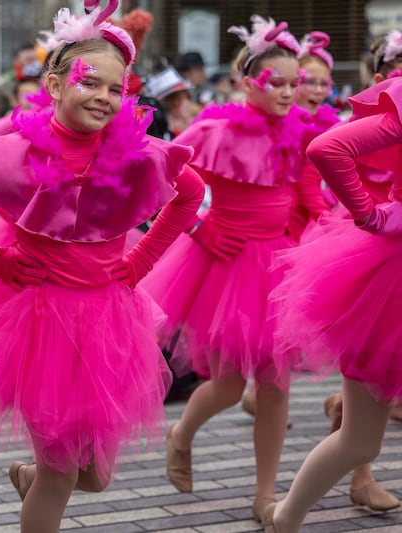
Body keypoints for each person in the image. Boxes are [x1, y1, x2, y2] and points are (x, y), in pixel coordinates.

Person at [0, 2, 204, 531]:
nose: (105, 98)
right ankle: (42, 481)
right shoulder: (14, 153)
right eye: (91, 83)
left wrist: (141, 261)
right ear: (56, 83)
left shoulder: (137, 153)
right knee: (62, 472)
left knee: (96, 476)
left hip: (110, 319)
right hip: (39, 326)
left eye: (117, 89)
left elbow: (191, 195)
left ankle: (32, 476)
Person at [139, 16, 308, 527]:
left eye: (292, 84)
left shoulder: (301, 132)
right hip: (228, 264)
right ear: (246, 82)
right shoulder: (214, 131)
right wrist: (199, 227)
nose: (285, 92)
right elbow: (159, 176)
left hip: (278, 264)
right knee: (230, 385)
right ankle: (181, 435)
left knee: (276, 384)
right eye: (273, 82)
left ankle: (265, 493)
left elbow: (305, 193)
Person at [262, 63, 402, 533]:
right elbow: (327, 147)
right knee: (361, 442)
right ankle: (286, 518)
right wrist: (374, 215)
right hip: (391, 284)